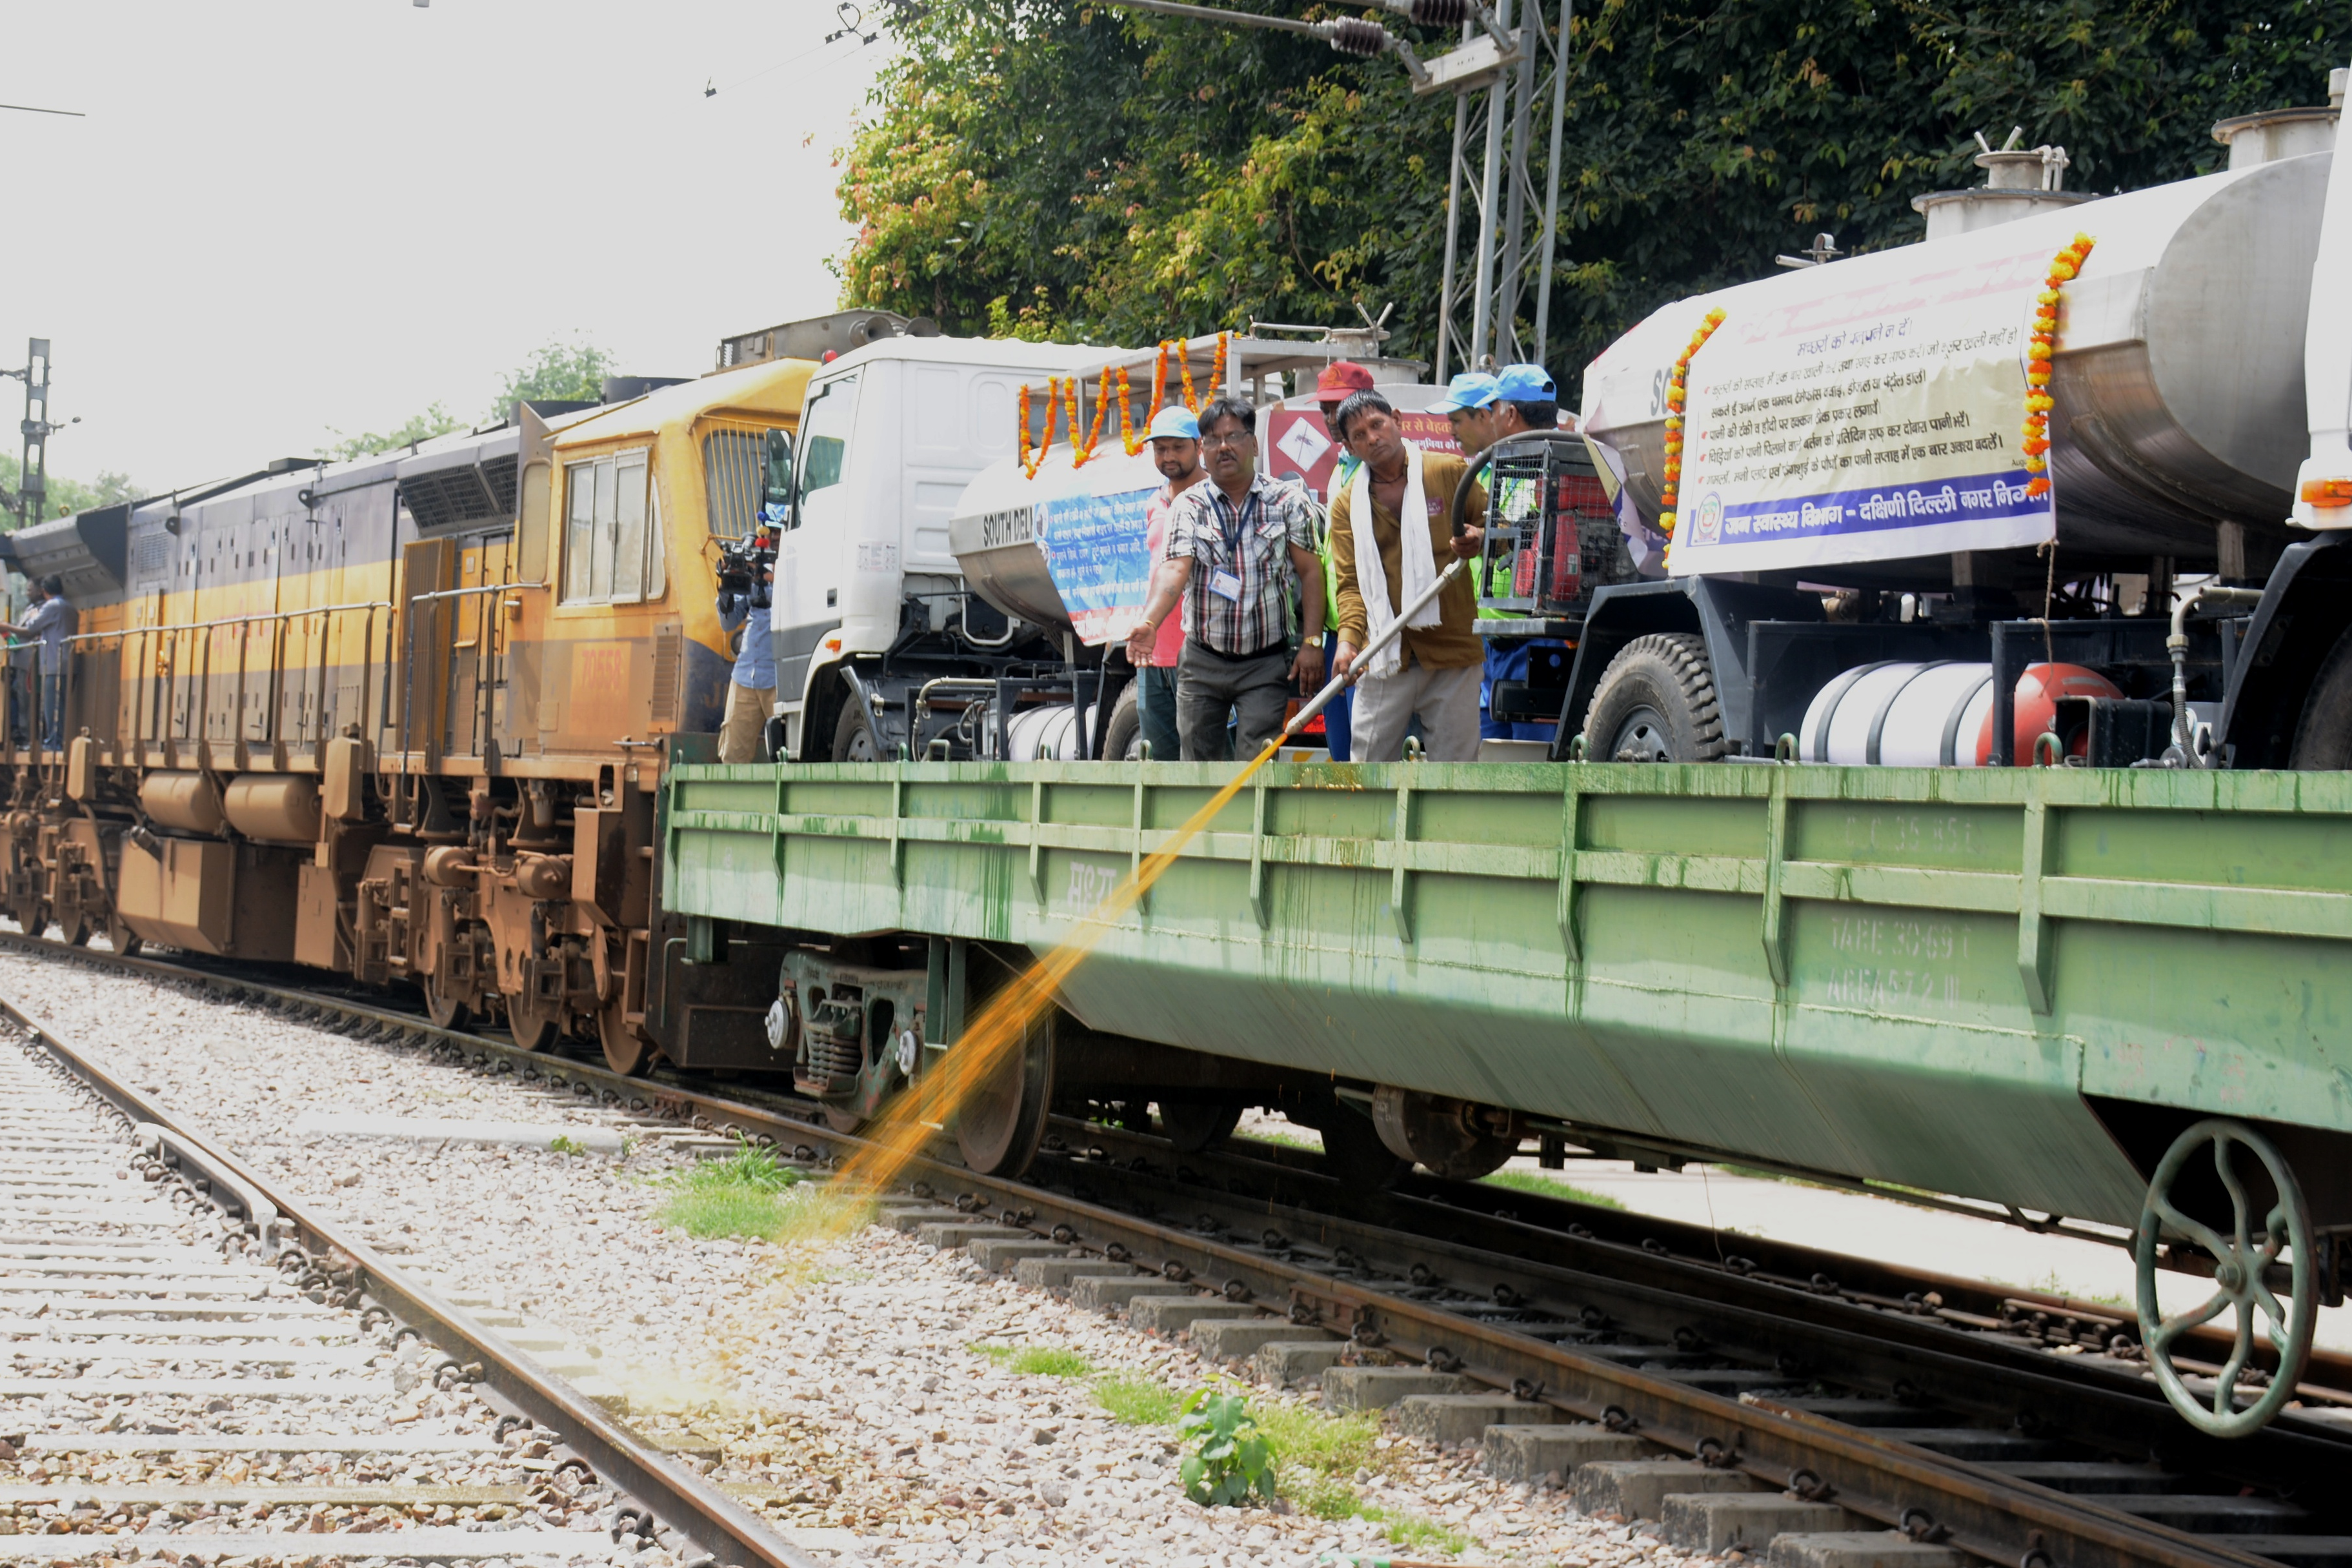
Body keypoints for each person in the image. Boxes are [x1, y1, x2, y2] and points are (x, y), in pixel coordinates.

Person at [1127, 396, 1323, 762]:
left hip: (1265, 663)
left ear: (1253, 443)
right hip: (1203, 661)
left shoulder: (1287, 502)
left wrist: (1312, 641)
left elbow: (1312, 573)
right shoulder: (1189, 505)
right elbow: (1173, 569)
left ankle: (1247, 820)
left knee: (1256, 765)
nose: (1224, 447)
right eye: (1214, 440)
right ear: (1203, 449)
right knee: (1198, 769)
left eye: (1233, 436)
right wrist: (1150, 621)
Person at [1327, 392, 1487, 763]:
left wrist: (1479, 538)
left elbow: (1498, 527)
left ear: (1397, 419)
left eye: (1377, 425)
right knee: (1367, 773)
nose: (1372, 438)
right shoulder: (1346, 504)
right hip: (1384, 654)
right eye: (1359, 435)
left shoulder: (1446, 471)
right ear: (1349, 446)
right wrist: (1348, 642)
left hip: (1453, 651)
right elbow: (1350, 585)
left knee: (1456, 777)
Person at [1461, 363, 1569, 743]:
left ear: (1509, 414)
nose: (1488, 421)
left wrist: (1492, 538)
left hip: (1536, 642)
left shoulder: (1555, 462)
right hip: (1500, 640)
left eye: (1493, 411)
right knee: (1492, 758)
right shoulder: (1513, 463)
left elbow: (1541, 537)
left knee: (1528, 761)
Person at [1131, 405, 1206, 761]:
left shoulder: (1216, 498)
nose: (1169, 457)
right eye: (1160, 449)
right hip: (1154, 654)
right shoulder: (1154, 502)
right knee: (1159, 762)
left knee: (1207, 757)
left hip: (1201, 653)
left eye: (1178, 447)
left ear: (1198, 446)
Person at [1312, 361, 1377, 761]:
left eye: (1341, 406)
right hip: (1336, 633)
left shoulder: (1384, 468)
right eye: (1325, 409)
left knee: (1368, 753)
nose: (1332, 418)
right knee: (1340, 752)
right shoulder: (1339, 468)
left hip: (1371, 634)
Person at [0, 576, 75, 751]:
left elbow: (31, 628)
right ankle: (53, 741)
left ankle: (52, 742)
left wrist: (6, 627)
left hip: (52, 662)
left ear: (43, 591)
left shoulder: (51, 606)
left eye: (30, 589)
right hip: (64, 661)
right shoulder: (69, 607)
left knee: (51, 705)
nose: (27, 593)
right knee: (58, 704)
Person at [716, 561, 775, 763]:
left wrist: (769, 577)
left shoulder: (799, 560)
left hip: (781, 675)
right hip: (746, 674)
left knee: (788, 754)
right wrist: (726, 586)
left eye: (777, 531)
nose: (773, 535)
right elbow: (728, 622)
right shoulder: (754, 573)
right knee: (733, 755)